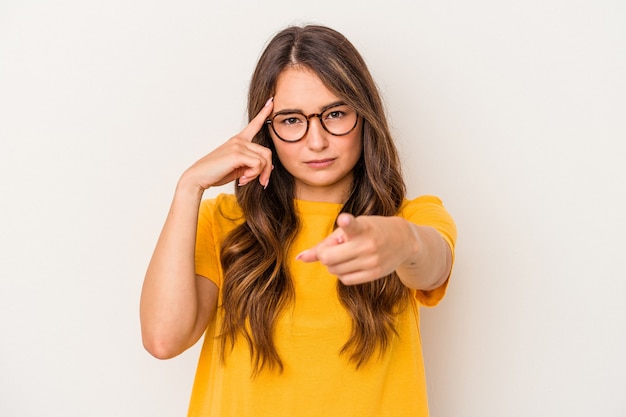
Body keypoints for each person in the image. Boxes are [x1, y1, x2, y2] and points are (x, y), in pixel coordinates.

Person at [140, 24, 456, 417]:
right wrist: (189, 186)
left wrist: (404, 241)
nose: (317, 140)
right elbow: (163, 339)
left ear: (365, 115)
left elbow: (433, 265)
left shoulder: (412, 217)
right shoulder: (222, 222)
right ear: (266, 130)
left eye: (335, 114)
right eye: (292, 120)